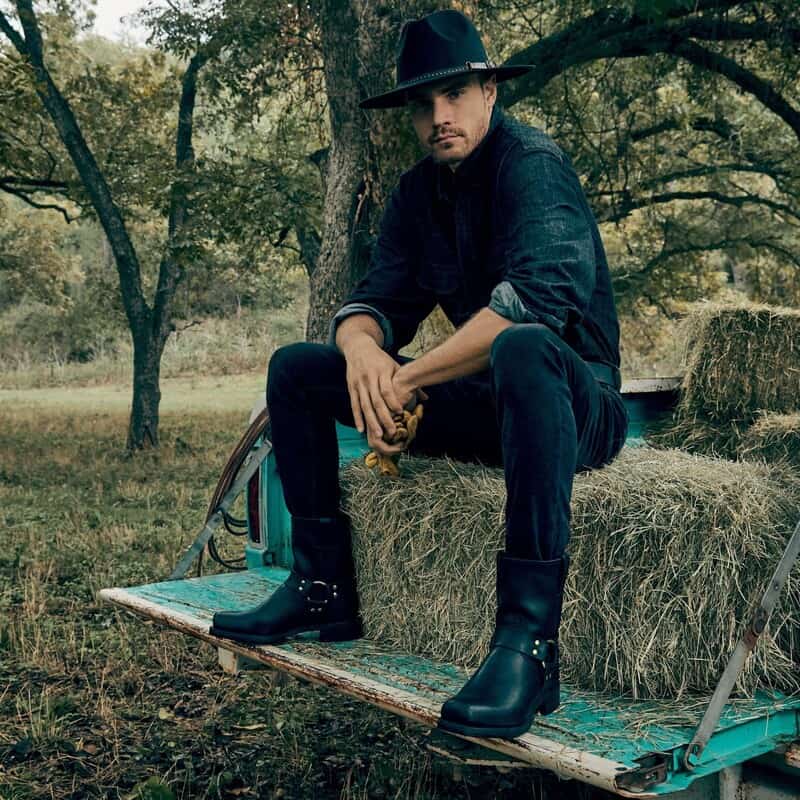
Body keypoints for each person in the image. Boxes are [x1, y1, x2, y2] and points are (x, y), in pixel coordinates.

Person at [211, 9, 628, 740]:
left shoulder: (534, 166)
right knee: (300, 368)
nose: (441, 116)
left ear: (491, 91)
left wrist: (407, 383)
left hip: (574, 407)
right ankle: (321, 586)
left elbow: (536, 302)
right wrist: (364, 349)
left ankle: (528, 647)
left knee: (524, 346)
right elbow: (372, 302)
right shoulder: (416, 194)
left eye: (457, 94)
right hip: (488, 410)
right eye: (423, 103)